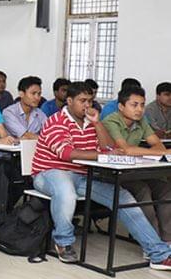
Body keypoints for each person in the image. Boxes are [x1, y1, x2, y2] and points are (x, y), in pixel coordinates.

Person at [31, 81, 171, 268]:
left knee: (124, 197)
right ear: (69, 101)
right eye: (82, 101)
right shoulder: (55, 121)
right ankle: (63, 243)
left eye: (90, 100)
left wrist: (97, 123)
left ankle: (159, 253)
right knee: (66, 191)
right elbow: (67, 154)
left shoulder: (90, 122)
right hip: (49, 172)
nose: (87, 105)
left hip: (81, 176)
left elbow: (107, 147)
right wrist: (103, 155)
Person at [103, 86, 171, 241]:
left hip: (133, 171)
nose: (139, 109)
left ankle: (167, 240)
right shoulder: (111, 121)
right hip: (110, 173)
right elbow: (125, 149)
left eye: (142, 105)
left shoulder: (141, 122)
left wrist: (158, 151)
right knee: (142, 190)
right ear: (121, 106)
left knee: (166, 189)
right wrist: (161, 153)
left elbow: (158, 144)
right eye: (134, 105)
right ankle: (152, 241)